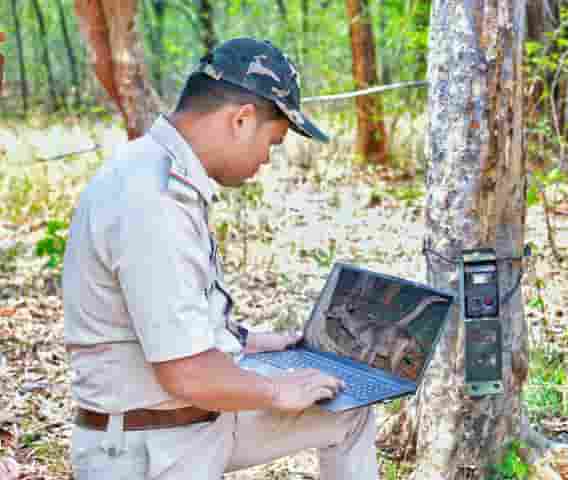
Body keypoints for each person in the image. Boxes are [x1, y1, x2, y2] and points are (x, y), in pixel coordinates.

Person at [62, 38, 378, 480]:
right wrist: (275, 389)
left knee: (349, 412)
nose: (268, 158)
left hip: (196, 423)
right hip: (149, 447)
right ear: (242, 120)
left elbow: (173, 319)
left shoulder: (163, 173)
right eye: (274, 141)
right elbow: (186, 374)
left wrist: (252, 342)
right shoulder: (151, 200)